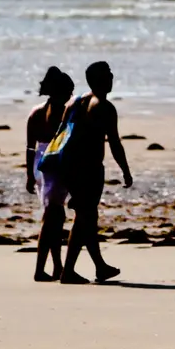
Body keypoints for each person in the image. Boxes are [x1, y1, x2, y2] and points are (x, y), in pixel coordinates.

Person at [58, 60, 132, 284]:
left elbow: (60, 135)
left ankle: (100, 267)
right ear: (99, 79)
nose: (112, 77)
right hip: (88, 169)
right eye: (108, 74)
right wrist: (126, 171)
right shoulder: (104, 107)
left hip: (69, 167)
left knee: (88, 217)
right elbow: (115, 144)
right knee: (85, 218)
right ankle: (68, 271)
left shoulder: (76, 102)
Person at [24, 66, 76, 282]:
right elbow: (66, 143)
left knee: (55, 216)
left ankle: (56, 266)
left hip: (39, 165)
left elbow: (30, 147)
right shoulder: (62, 113)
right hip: (55, 163)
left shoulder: (35, 113)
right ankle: (40, 268)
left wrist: (29, 174)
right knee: (52, 217)